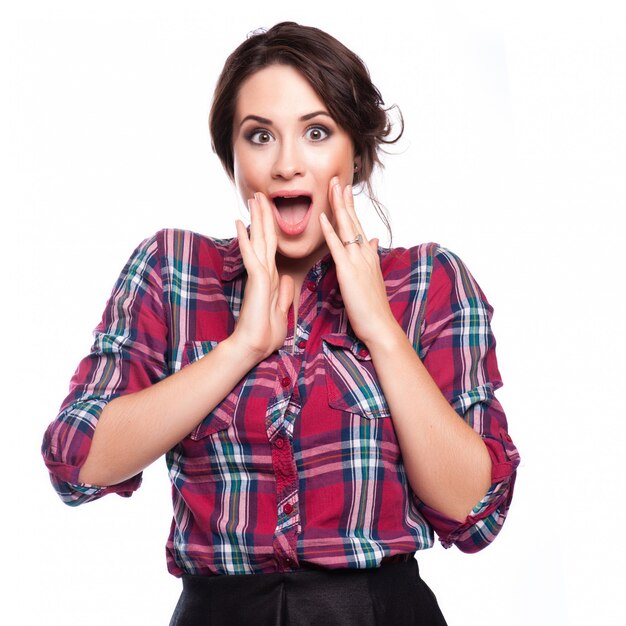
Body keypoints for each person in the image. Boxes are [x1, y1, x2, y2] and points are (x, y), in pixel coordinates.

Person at [42, 21, 520, 625]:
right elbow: (76, 462)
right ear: (232, 157)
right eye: (259, 136)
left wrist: (381, 330)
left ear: (358, 152)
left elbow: (476, 510)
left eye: (316, 133)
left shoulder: (428, 282)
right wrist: (242, 346)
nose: (287, 164)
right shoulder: (173, 269)